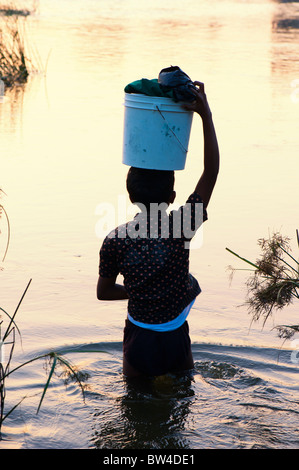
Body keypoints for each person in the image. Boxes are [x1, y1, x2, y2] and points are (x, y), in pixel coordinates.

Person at [97, 82, 219, 378]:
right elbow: (211, 171)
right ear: (173, 198)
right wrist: (206, 115)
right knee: (180, 403)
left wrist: (141, 292)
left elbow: (103, 292)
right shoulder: (182, 226)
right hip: (176, 338)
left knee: (135, 406)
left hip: (139, 339)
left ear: (130, 197)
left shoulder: (116, 240)